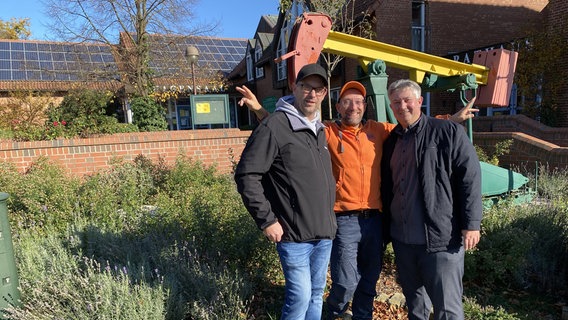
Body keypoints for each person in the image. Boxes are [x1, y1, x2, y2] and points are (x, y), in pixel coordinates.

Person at [237, 79, 477, 320]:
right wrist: (259, 110)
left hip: (375, 220)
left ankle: (362, 316)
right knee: (344, 281)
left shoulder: (379, 130)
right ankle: (335, 312)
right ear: (338, 107)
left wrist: (451, 119)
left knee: (369, 280)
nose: (354, 107)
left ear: (365, 106)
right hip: (344, 220)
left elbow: (415, 124)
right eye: (347, 102)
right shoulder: (327, 131)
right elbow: (288, 129)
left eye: (359, 102)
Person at [234, 63, 337, 320]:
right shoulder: (275, 126)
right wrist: (267, 220)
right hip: (293, 235)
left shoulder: (319, 129)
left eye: (318, 89)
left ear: (325, 93)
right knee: (300, 297)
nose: (311, 94)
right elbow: (247, 174)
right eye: (306, 87)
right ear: (295, 87)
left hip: (323, 233)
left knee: (315, 294)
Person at [380, 79, 482, 320]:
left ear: (419, 102)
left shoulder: (447, 132)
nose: (402, 106)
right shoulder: (391, 140)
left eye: (407, 100)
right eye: (396, 102)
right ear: (391, 107)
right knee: (416, 306)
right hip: (403, 242)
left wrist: (472, 224)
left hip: (441, 241)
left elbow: (470, 179)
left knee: (447, 309)